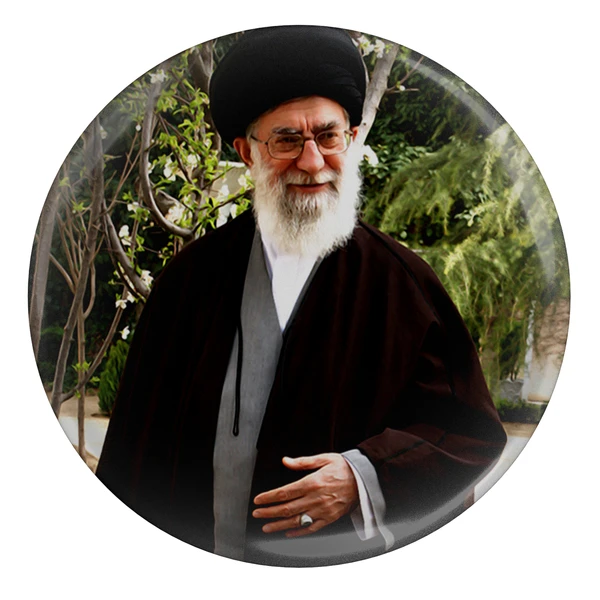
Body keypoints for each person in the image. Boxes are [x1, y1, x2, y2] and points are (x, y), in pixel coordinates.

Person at [96, 25, 507, 567]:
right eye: (287, 140)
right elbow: (133, 453)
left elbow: (467, 435)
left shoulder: (402, 285)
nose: (312, 162)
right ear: (247, 152)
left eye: (328, 137)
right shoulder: (189, 280)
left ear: (351, 139)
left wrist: (363, 477)